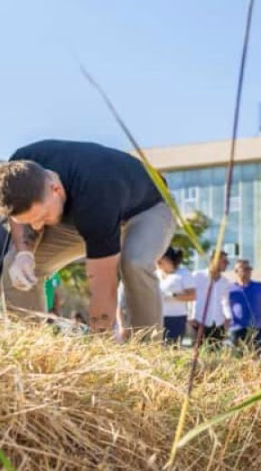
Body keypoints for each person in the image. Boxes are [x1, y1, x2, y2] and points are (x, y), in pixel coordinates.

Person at [0, 141, 174, 333]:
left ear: (55, 188)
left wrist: (100, 339)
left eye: (42, 217)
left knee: (135, 262)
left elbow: (104, 286)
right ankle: (28, 344)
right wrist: (25, 254)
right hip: (74, 215)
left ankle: (146, 349)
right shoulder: (16, 172)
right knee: (14, 263)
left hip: (146, 208)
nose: (37, 226)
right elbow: (18, 216)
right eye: (29, 221)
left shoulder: (95, 196)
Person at [227, 258, 261, 354]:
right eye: (245, 269)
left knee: (257, 358)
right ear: (236, 271)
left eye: (249, 269)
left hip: (255, 330)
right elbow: (224, 308)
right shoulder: (230, 289)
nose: (248, 271)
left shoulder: (258, 286)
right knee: (237, 359)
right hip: (237, 329)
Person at [190, 252, 231, 348]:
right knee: (197, 354)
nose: (227, 264)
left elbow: (225, 302)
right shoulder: (197, 276)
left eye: (227, 262)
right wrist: (189, 317)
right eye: (224, 261)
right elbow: (189, 297)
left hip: (218, 324)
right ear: (214, 261)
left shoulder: (225, 282)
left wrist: (228, 318)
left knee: (216, 356)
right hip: (199, 322)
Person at [157, 247, 195, 345]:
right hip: (157, 316)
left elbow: (193, 295)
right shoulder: (156, 273)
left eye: (160, 261)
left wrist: (173, 296)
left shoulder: (183, 274)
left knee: (171, 346)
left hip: (175, 318)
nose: (158, 264)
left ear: (168, 259)